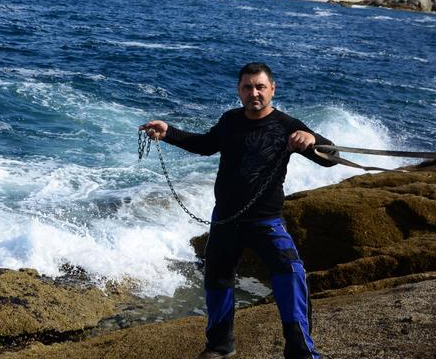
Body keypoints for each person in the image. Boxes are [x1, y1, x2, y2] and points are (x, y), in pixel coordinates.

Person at [139, 62, 337, 359]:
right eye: (247, 87)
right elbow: (206, 145)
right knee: (217, 279)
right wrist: (169, 133)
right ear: (239, 90)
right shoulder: (230, 120)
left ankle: (300, 351)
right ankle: (220, 345)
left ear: (272, 89)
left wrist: (313, 141)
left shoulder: (287, 126)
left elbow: (331, 158)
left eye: (260, 87)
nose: (254, 93)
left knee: (291, 274)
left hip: (266, 222)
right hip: (226, 220)